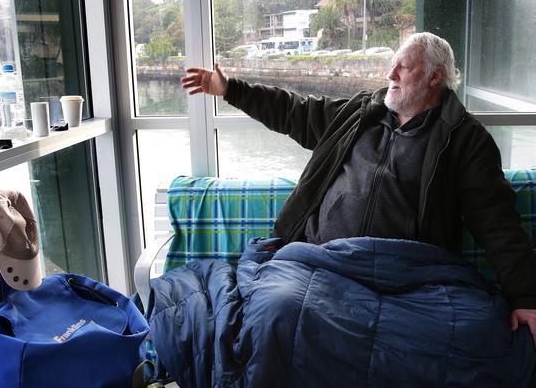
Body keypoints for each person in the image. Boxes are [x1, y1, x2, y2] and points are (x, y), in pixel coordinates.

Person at [181, 32, 536, 343]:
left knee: (474, 335)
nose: (390, 74)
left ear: (434, 77)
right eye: (392, 66)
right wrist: (229, 90)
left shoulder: (465, 139)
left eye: (403, 67)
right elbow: (295, 111)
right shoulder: (359, 112)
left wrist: (525, 298)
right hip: (320, 261)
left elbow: (497, 222)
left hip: (406, 277)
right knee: (274, 311)